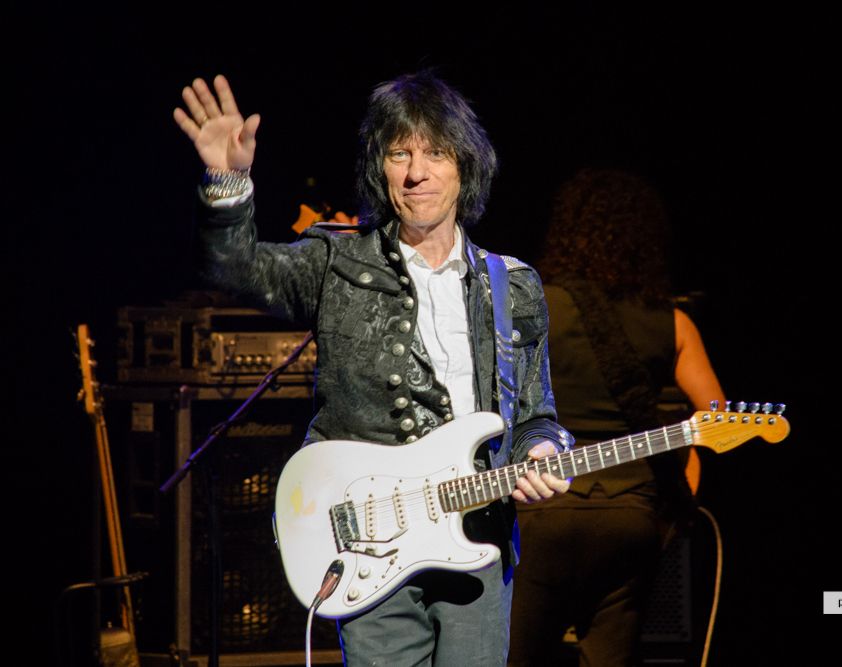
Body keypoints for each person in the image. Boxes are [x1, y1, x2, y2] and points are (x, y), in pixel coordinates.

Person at [174, 72, 573, 666]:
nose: (417, 173)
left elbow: (536, 415)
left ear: (465, 165)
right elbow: (234, 272)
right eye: (399, 154)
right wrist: (228, 184)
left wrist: (541, 451)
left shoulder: (511, 285)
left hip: (478, 541)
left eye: (436, 152)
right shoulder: (337, 262)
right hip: (371, 547)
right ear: (379, 168)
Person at [507, 168, 725, 666]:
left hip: (543, 513)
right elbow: (716, 417)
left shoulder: (535, 308)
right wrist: (684, 493)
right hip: (630, 518)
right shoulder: (673, 320)